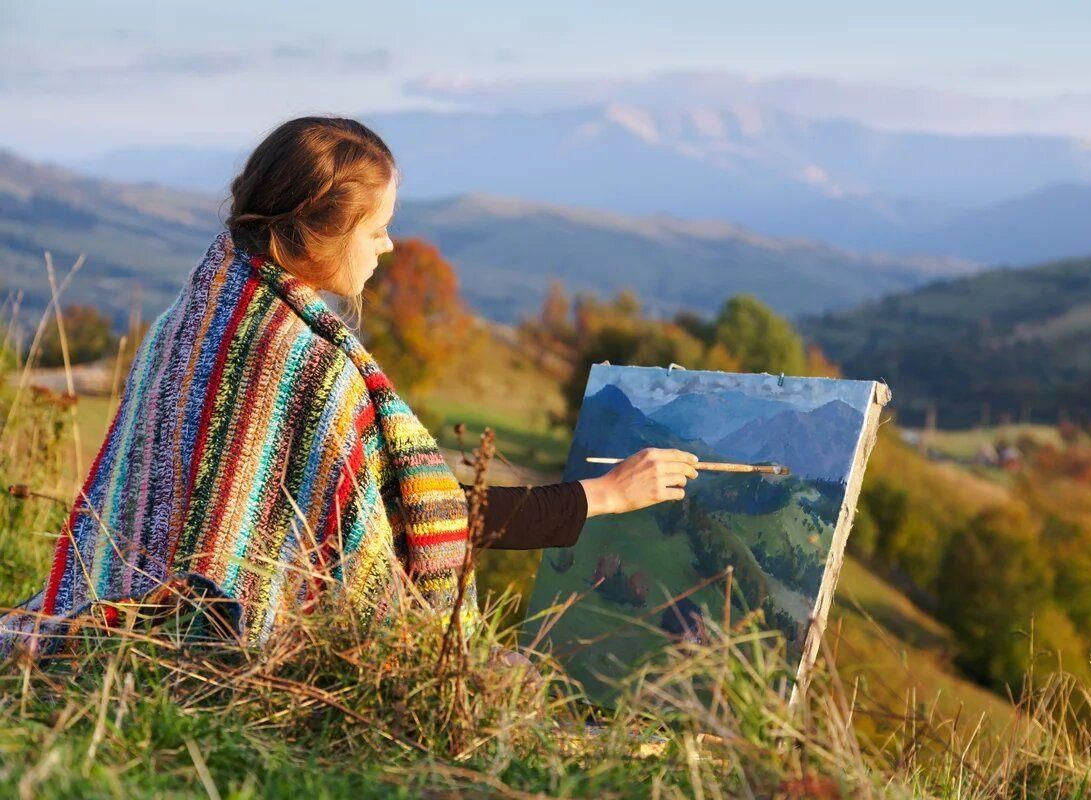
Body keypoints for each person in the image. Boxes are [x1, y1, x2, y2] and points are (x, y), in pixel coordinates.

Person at [0, 116, 699, 657]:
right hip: (223, 643)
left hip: (129, 620)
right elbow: (410, 521)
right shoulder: (302, 361)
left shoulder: (191, 317)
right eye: (380, 229)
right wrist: (602, 496)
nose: (389, 248)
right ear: (318, 231)